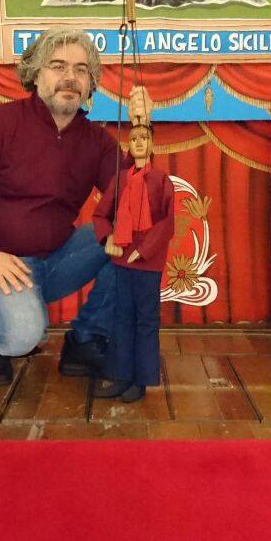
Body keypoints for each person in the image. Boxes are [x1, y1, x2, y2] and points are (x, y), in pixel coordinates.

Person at [0, 27, 151, 385]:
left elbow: (139, 202)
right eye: (58, 66)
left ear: (90, 83)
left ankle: (85, 340)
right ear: (35, 74)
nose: (70, 77)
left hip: (57, 260)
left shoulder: (96, 141)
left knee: (137, 235)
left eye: (80, 70)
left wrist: (142, 126)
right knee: (23, 337)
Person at [90, 123, 174, 403]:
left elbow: (167, 223)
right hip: (123, 260)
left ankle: (141, 379)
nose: (139, 142)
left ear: (152, 145)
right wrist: (108, 237)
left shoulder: (161, 180)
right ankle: (120, 375)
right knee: (121, 318)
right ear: (128, 145)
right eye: (134, 138)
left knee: (146, 320)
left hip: (148, 262)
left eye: (144, 138)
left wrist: (145, 249)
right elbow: (100, 214)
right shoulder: (121, 179)